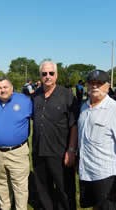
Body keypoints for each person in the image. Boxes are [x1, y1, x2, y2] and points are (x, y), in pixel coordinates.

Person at [78, 70, 116, 210]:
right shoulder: (84, 107)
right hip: (87, 172)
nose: (95, 86)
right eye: (92, 83)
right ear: (87, 85)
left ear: (107, 86)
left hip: (107, 176)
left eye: (99, 83)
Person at [32, 60, 78, 210]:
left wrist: (71, 150)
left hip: (60, 152)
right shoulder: (35, 96)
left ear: (56, 75)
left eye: (51, 73)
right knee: (43, 188)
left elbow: (74, 124)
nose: (48, 76)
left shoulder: (67, 95)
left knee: (65, 189)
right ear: (40, 75)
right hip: (39, 151)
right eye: (44, 73)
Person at [0, 77, 32, 210]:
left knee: (20, 185)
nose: (2, 90)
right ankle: (4, 206)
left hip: (17, 152)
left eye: (5, 87)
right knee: (1, 183)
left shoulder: (24, 100)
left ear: (12, 88)